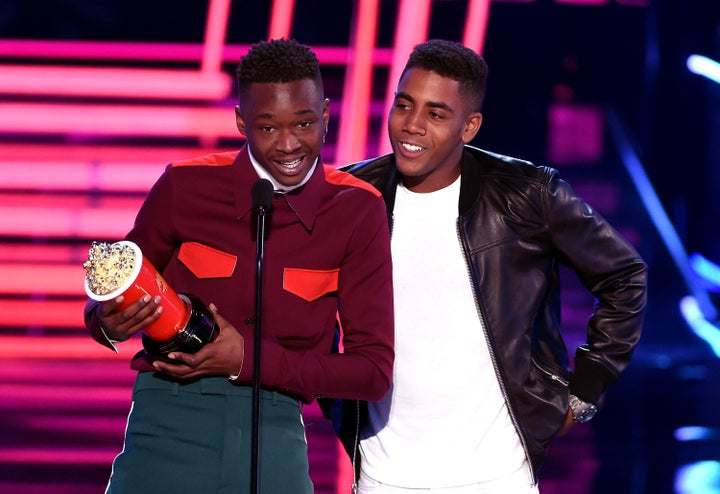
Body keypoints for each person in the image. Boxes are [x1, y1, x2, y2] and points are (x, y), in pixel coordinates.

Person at [327, 39, 647, 493]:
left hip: (498, 478)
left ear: (469, 125)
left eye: (436, 114)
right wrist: (331, 393)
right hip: (383, 477)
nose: (412, 126)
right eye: (404, 105)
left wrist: (586, 391)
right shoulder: (352, 196)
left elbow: (624, 275)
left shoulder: (527, 194)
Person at [83, 38, 394, 493]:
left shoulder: (356, 209)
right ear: (241, 121)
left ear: (326, 115)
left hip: (276, 428)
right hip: (167, 419)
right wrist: (108, 320)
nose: (289, 144)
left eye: (304, 124)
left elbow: (372, 371)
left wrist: (249, 360)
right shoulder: (184, 186)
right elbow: (108, 304)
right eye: (268, 128)